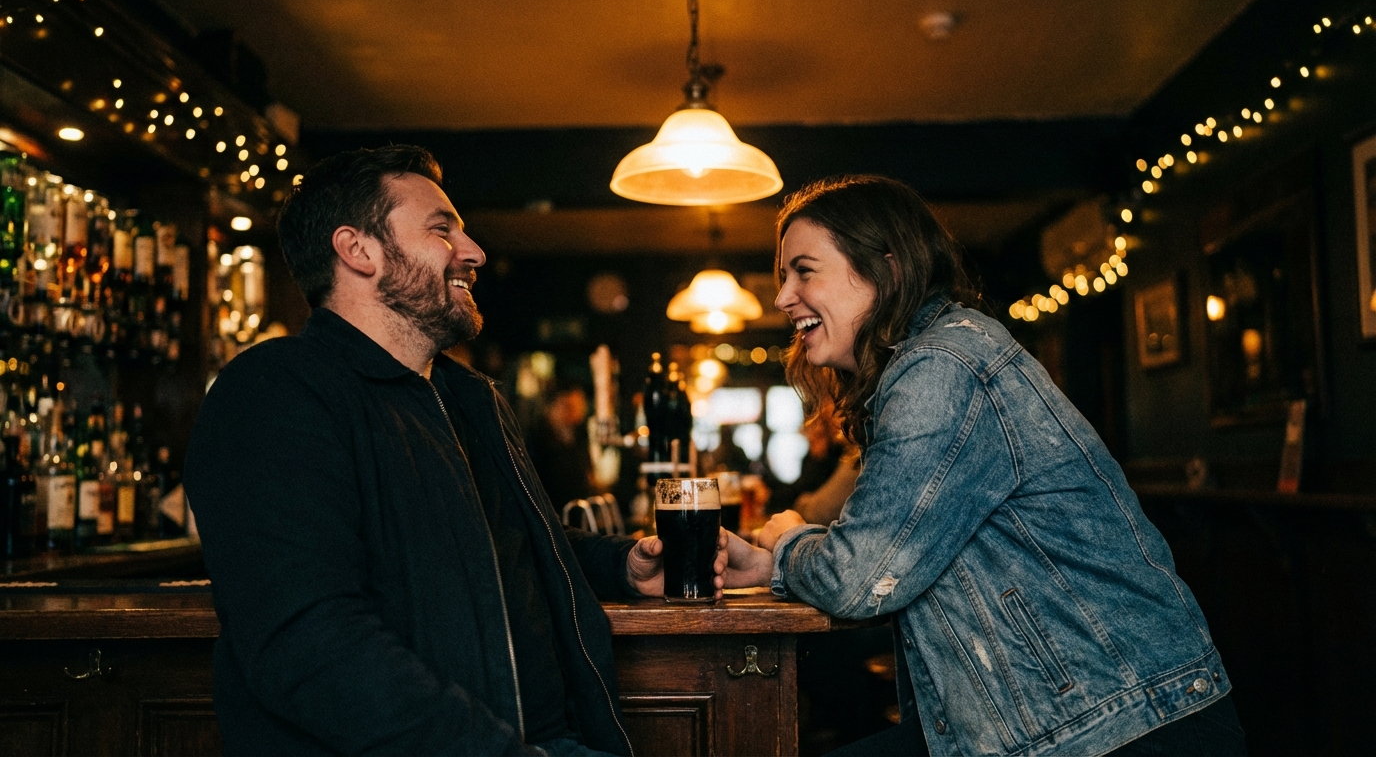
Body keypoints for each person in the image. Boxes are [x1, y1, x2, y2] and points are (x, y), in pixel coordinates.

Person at [184, 145, 768, 756]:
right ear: (358, 250)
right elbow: (308, 642)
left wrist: (620, 565)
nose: (474, 252)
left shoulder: (467, 397)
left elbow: (499, 543)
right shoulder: (275, 391)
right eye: (443, 230)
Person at [755, 176, 1246, 756]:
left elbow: (862, 577)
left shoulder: (941, 367)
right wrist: (762, 564)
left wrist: (786, 545)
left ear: (883, 270)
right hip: (1066, 719)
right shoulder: (934, 359)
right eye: (783, 277)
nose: (784, 297)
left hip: (1127, 726)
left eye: (803, 271)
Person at [527, 381, 595, 507]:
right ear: (550, 408)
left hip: (580, 509)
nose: (574, 413)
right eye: (567, 406)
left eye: (578, 407)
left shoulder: (580, 435)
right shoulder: (536, 441)